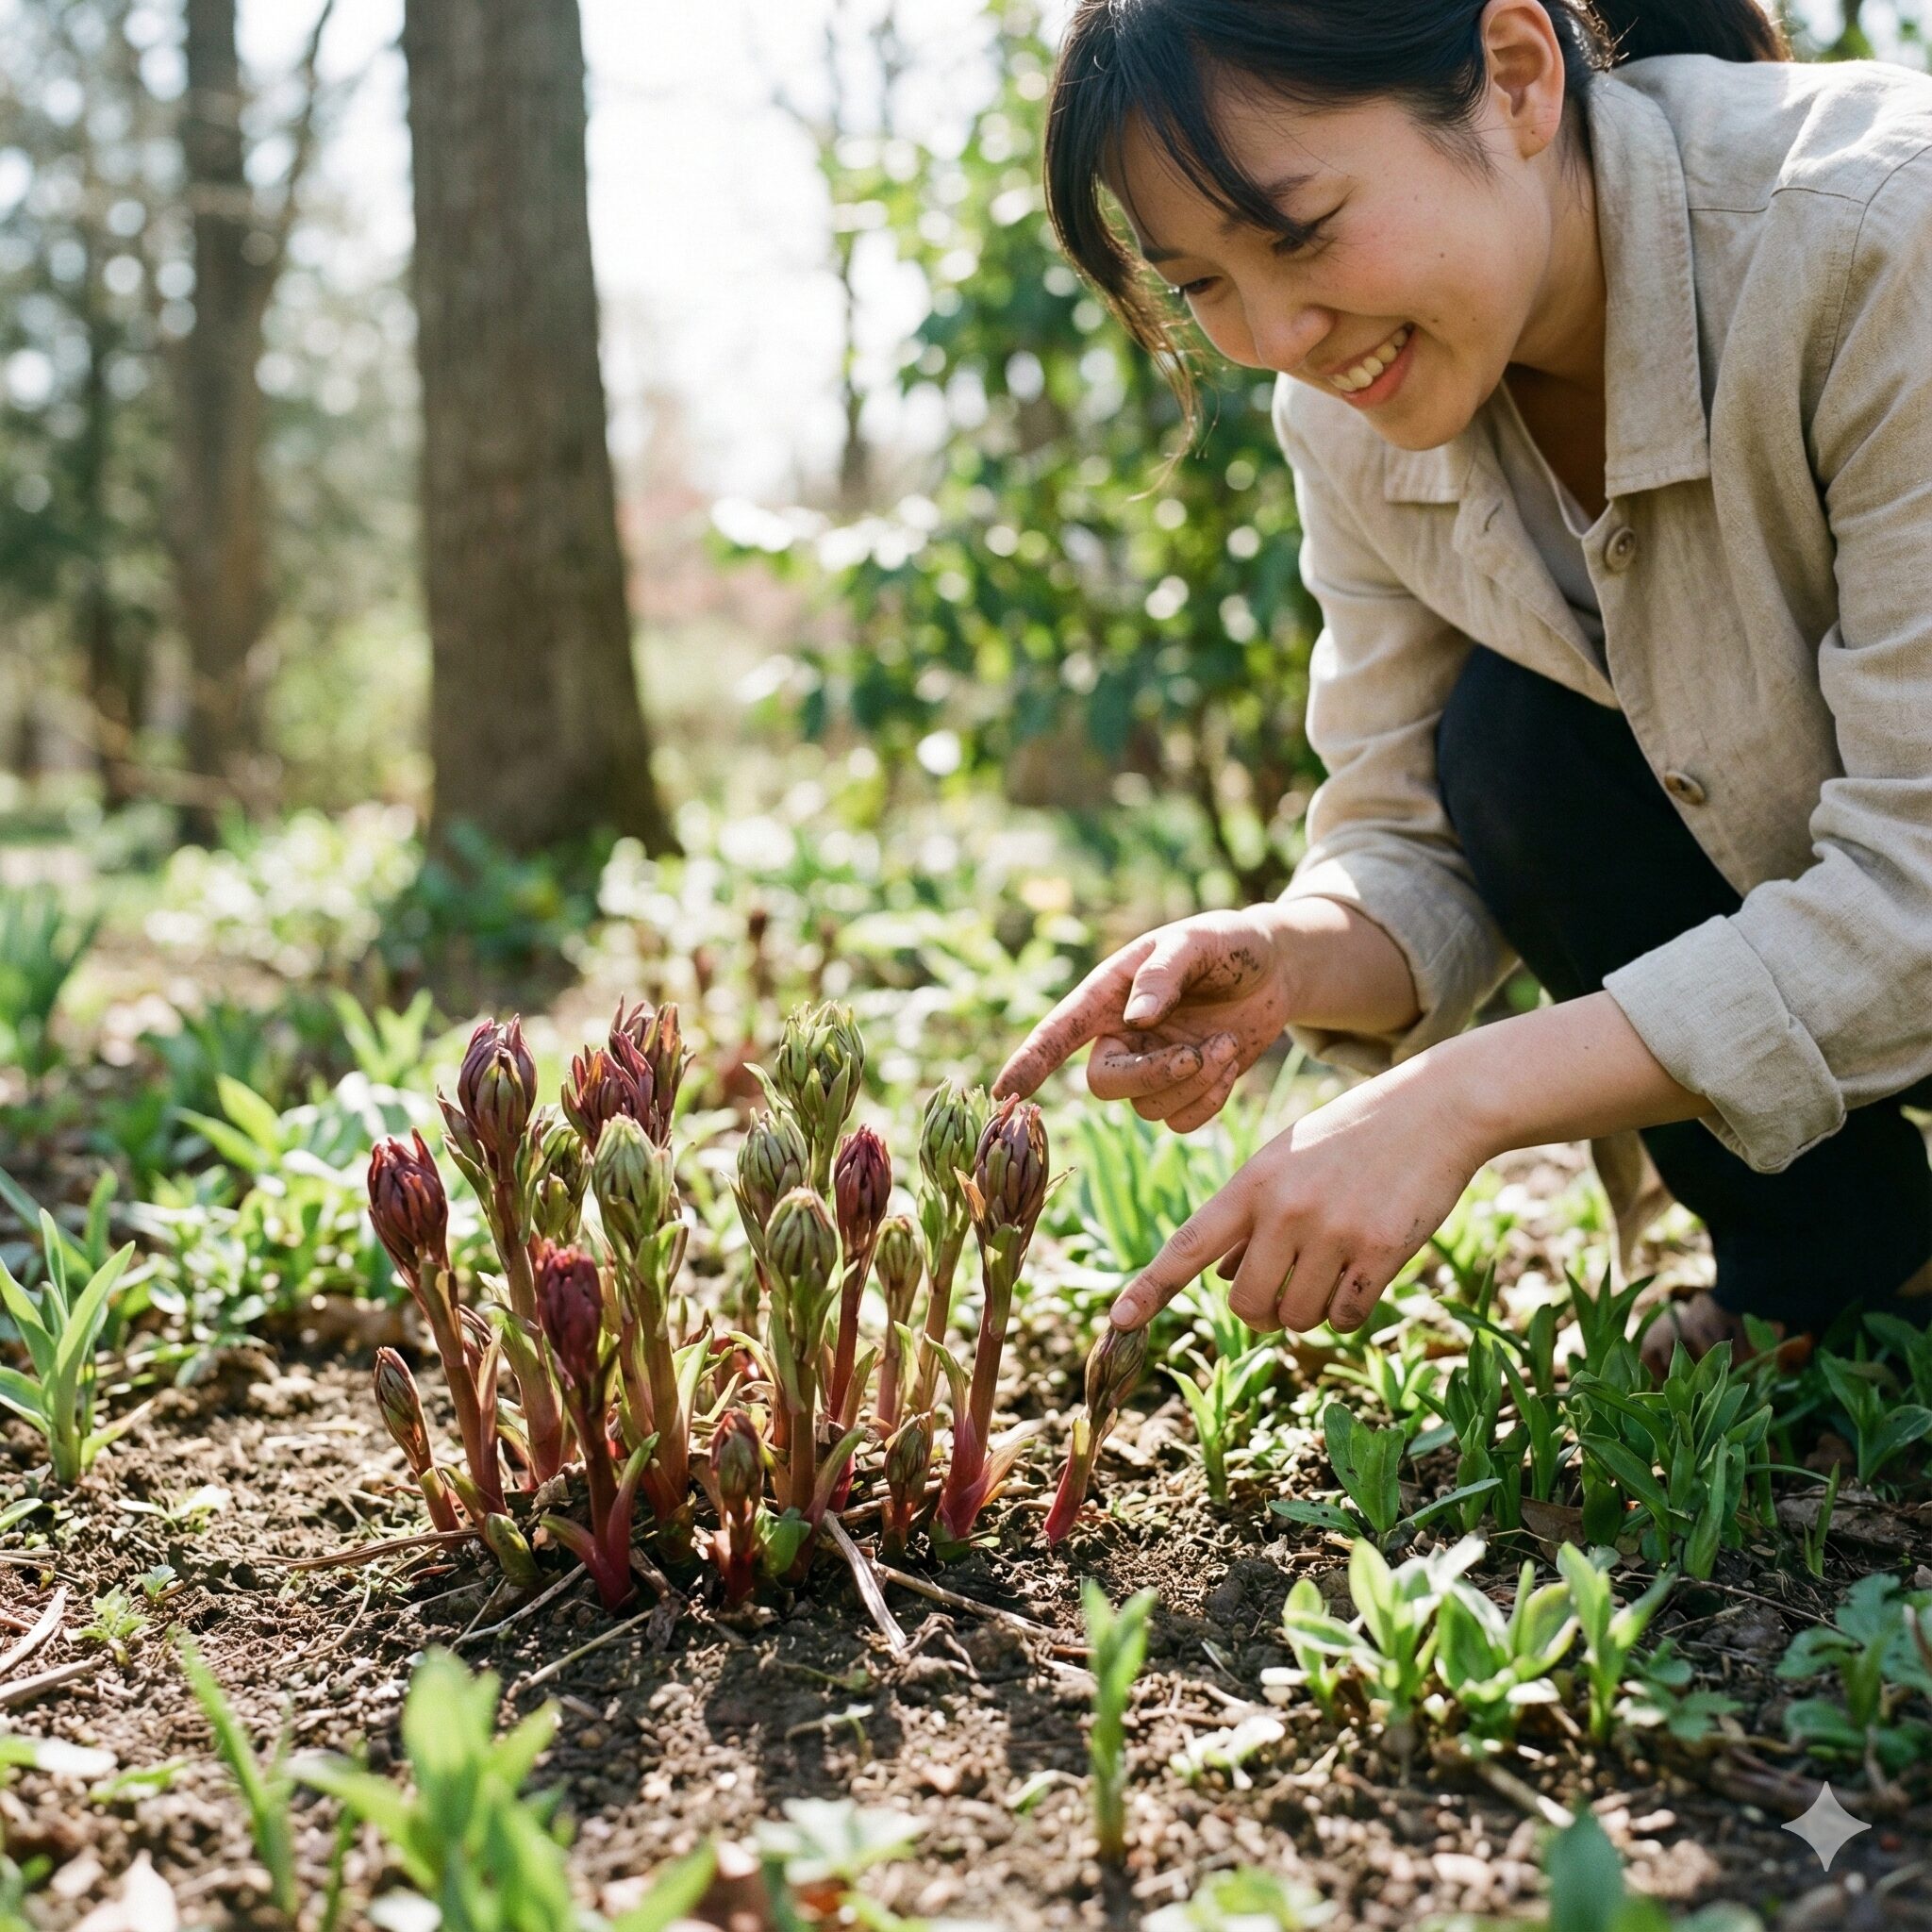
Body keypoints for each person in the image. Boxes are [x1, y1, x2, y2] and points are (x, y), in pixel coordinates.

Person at [993, 0, 1932, 1372]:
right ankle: (1862, 1278)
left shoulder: (1871, 233)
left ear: (1514, 77)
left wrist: (1461, 1099)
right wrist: (1291, 955)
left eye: (1298, 232)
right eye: (1202, 284)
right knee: (1507, 743)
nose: (1279, 332)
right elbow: (1412, 831)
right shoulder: (1351, 419)